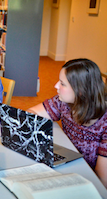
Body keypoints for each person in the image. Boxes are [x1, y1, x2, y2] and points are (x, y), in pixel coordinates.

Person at [28, 58, 107, 188]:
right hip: (66, 166)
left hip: (86, 180)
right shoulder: (63, 102)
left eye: (62, 84)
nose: (55, 86)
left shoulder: (104, 122)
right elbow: (31, 113)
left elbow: (102, 179)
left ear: (81, 90)